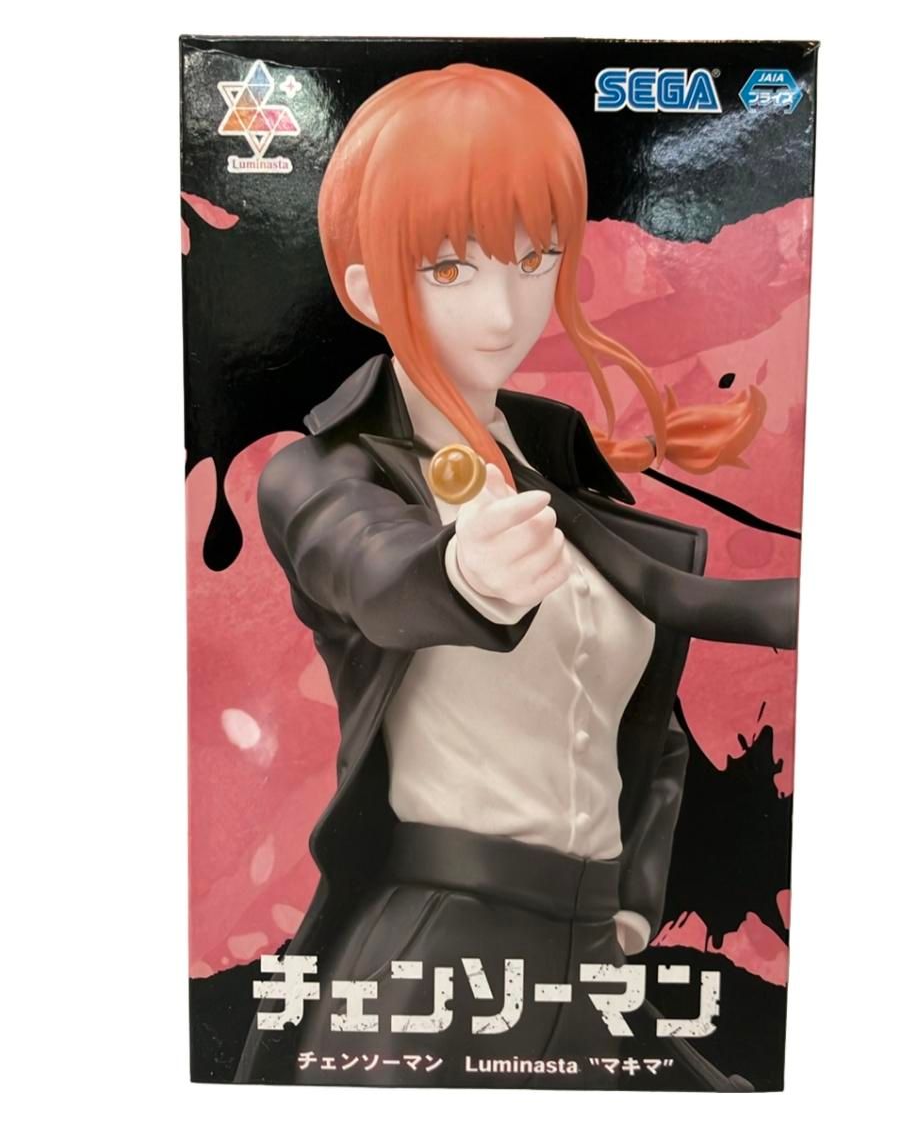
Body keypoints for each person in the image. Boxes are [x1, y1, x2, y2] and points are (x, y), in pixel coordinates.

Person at [235, 63, 797, 1089]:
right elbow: (365, 565)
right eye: (451, 267)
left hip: (595, 953)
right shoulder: (325, 472)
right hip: (437, 944)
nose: (505, 308)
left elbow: (646, 710)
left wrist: (632, 900)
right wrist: (464, 573)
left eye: (535, 258)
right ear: (365, 287)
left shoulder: (559, 456)